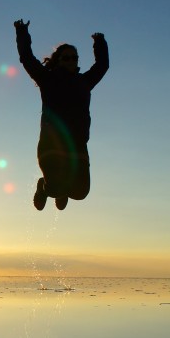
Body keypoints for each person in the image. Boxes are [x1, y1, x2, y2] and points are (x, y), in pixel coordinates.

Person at [14, 20, 109, 211]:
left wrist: (99, 42)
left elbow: (102, 66)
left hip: (77, 144)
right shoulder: (46, 79)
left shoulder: (84, 82)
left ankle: (63, 191)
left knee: (80, 193)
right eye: (67, 58)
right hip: (51, 142)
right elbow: (27, 58)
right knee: (55, 188)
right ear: (58, 60)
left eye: (75, 58)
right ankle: (44, 187)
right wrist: (22, 31)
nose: (72, 61)